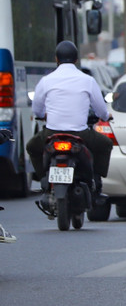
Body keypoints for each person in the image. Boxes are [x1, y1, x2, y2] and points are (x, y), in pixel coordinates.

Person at [27, 40, 113, 206]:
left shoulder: (46, 80)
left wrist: (43, 115)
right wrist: (106, 116)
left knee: (31, 146)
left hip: (51, 134)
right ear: (76, 60)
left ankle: (44, 178)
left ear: (56, 59)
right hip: (80, 134)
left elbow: (36, 110)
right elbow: (100, 110)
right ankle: (96, 181)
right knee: (106, 144)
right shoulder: (87, 80)